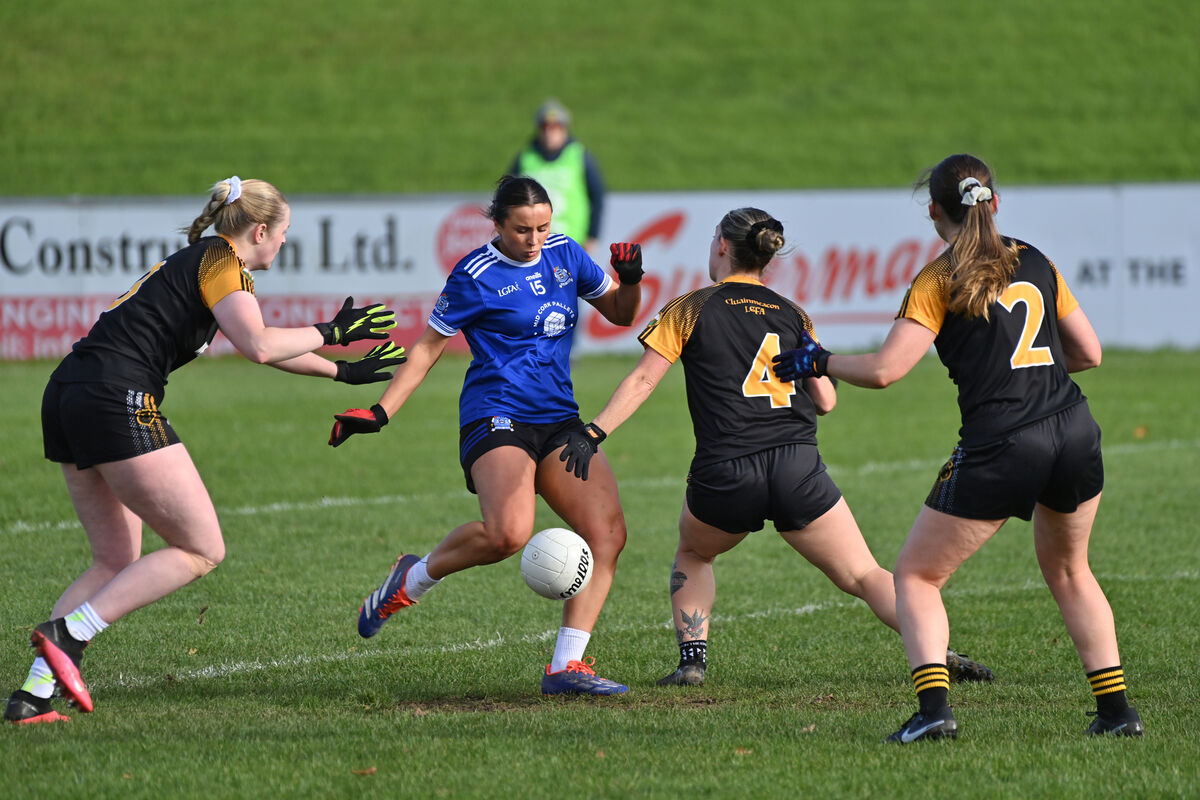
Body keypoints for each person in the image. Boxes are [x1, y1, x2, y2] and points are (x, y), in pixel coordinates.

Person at [5, 177, 402, 725]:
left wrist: (342, 370)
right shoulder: (221, 262)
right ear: (260, 230)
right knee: (202, 548)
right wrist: (331, 330)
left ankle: (32, 699)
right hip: (114, 396)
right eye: (283, 234)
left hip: (70, 392)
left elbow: (259, 341)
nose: (284, 244)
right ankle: (70, 633)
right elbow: (260, 345)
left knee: (116, 560)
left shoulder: (211, 260)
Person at [773, 153, 1142, 742]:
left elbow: (888, 370)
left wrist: (820, 360)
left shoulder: (938, 277)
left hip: (1004, 441)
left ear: (934, 211)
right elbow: (1089, 353)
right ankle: (1118, 714)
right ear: (994, 203)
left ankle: (934, 712)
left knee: (916, 578)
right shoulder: (1036, 258)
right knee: (1073, 572)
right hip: (1073, 428)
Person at [560, 207, 993, 689]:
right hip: (796, 468)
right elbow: (826, 400)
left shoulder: (690, 307)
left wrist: (593, 432)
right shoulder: (792, 313)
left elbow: (643, 380)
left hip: (726, 470)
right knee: (864, 574)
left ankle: (693, 661)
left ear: (722, 245)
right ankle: (936, 649)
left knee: (695, 555)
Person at [328, 175, 644, 695]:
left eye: (543, 226)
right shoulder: (474, 273)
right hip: (495, 413)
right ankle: (411, 577)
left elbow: (620, 313)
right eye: (523, 230)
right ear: (497, 224)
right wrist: (381, 412)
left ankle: (566, 667)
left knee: (607, 534)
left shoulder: (566, 253)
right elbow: (429, 348)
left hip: (559, 417)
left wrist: (629, 280)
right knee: (507, 534)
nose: (536, 239)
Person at [508, 98, 605, 252]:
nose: (549, 132)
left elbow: (597, 196)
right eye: (545, 127)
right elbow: (507, 197)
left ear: (564, 129)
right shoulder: (526, 158)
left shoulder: (578, 156)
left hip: (572, 243)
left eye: (555, 127)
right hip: (533, 242)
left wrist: (593, 234)